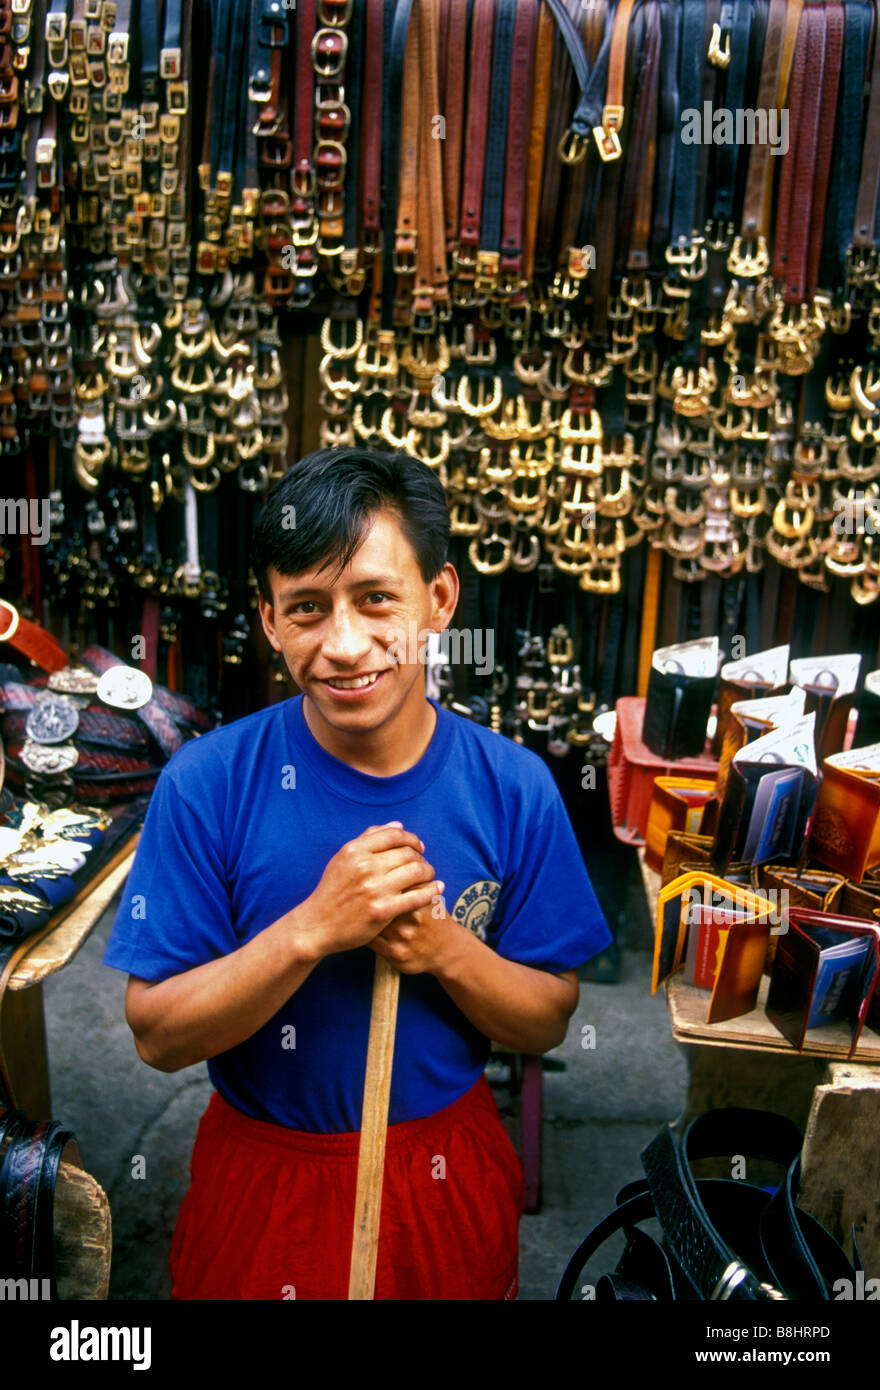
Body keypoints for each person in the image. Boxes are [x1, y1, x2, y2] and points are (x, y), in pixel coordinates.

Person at [103, 446, 612, 1300]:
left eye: (377, 598)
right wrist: (311, 931)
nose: (343, 645)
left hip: (444, 1172)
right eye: (306, 608)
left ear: (439, 599)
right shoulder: (208, 782)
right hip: (263, 1178)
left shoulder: (512, 784)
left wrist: (445, 948)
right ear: (269, 622)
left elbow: (548, 1021)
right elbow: (158, 1035)